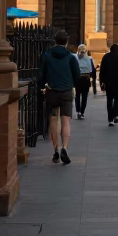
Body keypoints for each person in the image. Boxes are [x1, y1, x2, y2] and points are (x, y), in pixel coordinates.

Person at [37, 31, 80, 165]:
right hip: (66, 91)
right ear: (66, 42)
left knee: (53, 120)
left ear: (54, 41)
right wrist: (73, 85)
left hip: (52, 91)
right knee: (66, 120)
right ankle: (65, 147)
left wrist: (42, 86)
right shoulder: (71, 57)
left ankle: (55, 150)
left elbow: (41, 74)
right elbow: (76, 75)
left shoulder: (47, 55)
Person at [99, 43, 118, 125]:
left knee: (109, 101)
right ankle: (115, 114)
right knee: (117, 100)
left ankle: (110, 118)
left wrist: (101, 82)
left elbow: (102, 71)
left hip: (108, 82)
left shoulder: (106, 57)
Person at [74, 44, 96, 119]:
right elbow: (92, 70)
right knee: (84, 96)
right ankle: (82, 112)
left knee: (78, 96)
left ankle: (78, 111)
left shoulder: (75, 58)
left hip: (79, 78)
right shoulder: (90, 59)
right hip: (86, 78)